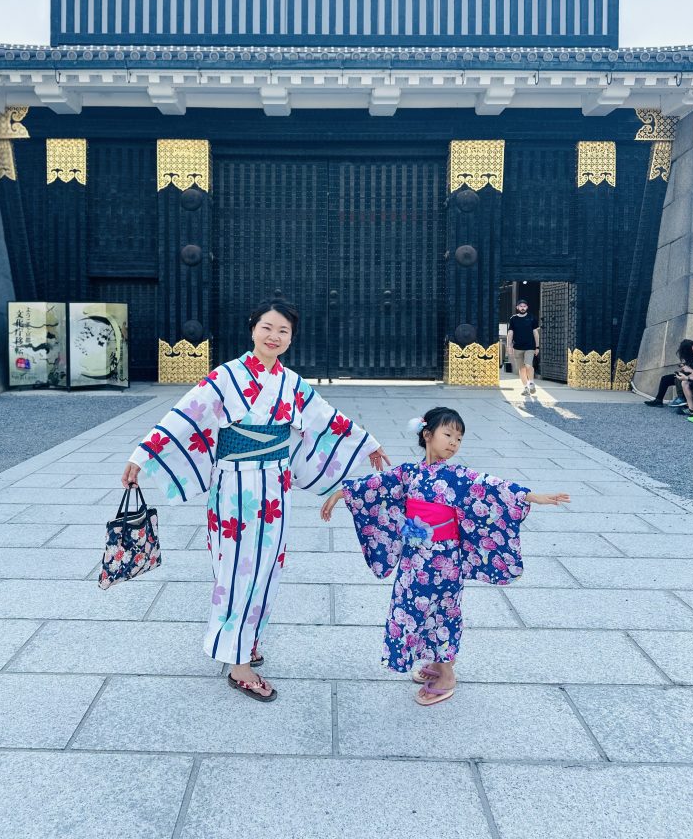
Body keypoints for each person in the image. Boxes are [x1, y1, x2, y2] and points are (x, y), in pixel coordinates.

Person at [120, 298, 389, 703]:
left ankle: (244, 642)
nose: (274, 336)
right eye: (267, 327)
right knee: (236, 570)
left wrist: (367, 443)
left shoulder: (292, 383)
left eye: (283, 331)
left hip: (275, 488)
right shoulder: (225, 377)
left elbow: (327, 419)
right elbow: (183, 417)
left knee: (266, 568)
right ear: (252, 330)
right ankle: (239, 664)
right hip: (233, 487)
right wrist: (142, 456)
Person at [320, 406, 569, 707]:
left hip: (444, 560)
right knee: (410, 607)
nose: (454, 442)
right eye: (448, 434)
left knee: (442, 612)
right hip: (413, 560)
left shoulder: (458, 476)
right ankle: (437, 664)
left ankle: (447, 673)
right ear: (427, 434)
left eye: (459, 438)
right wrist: (341, 493)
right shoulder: (408, 473)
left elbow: (492, 486)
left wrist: (532, 496)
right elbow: (375, 486)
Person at [644, 338, 693, 410]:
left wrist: (689, 370)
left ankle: (683, 400)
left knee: (680, 379)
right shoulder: (691, 357)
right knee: (665, 379)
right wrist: (684, 366)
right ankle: (658, 400)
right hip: (688, 376)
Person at [506, 299, 540, 396]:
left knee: (528, 365)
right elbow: (510, 332)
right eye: (520, 306)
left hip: (530, 346)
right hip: (517, 347)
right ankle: (526, 388)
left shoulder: (532, 318)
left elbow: (535, 333)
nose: (522, 308)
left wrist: (537, 347)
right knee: (521, 369)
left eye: (524, 306)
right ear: (517, 307)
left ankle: (531, 383)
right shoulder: (513, 319)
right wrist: (509, 346)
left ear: (527, 307)